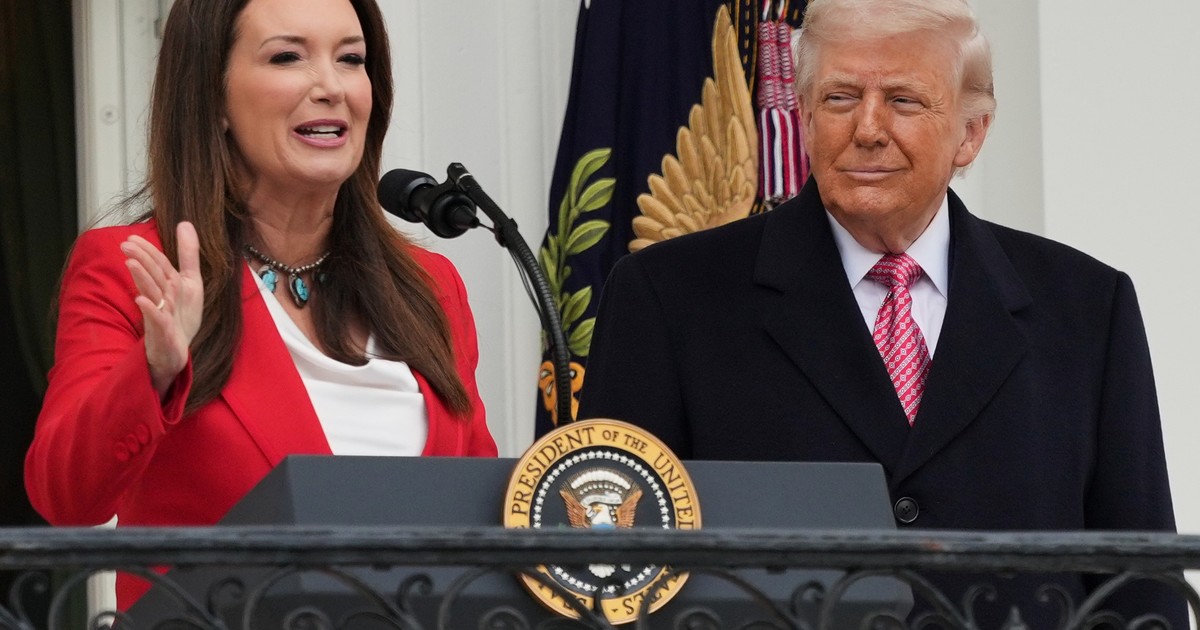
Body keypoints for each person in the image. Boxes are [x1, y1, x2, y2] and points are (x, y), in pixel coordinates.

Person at [578, 0, 1186, 626]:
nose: (867, 128)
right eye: (840, 98)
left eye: (904, 100)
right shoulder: (668, 296)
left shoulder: (1087, 308)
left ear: (971, 133)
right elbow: (607, 567)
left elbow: (1143, 589)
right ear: (804, 117)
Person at [24, 0, 496, 607]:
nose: (331, 87)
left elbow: (479, 513)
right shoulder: (135, 268)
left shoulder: (430, 284)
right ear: (213, 98)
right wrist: (153, 371)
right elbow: (66, 499)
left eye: (351, 59)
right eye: (287, 57)